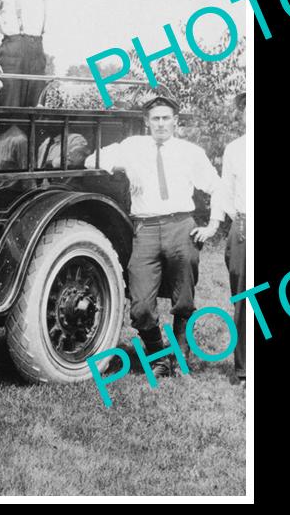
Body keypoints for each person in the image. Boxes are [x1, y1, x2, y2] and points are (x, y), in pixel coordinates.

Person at [84, 93, 224, 377]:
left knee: (183, 298)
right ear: (146, 122)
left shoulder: (190, 152)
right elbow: (90, 160)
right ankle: (158, 355)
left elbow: (218, 187)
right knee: (141, 306)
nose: (160, 124)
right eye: (155, 119)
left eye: (166, 118)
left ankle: (181, 353)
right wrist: (123, 166)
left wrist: (212, 225)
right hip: (145, 229)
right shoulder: (132, 147)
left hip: (181, 226)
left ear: (175, 122)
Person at [200, 90, 247, 386]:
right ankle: (244, 370)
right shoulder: (235, 149)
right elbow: (225, 191)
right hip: (244, 227)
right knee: (243, 300)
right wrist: (214, 224)